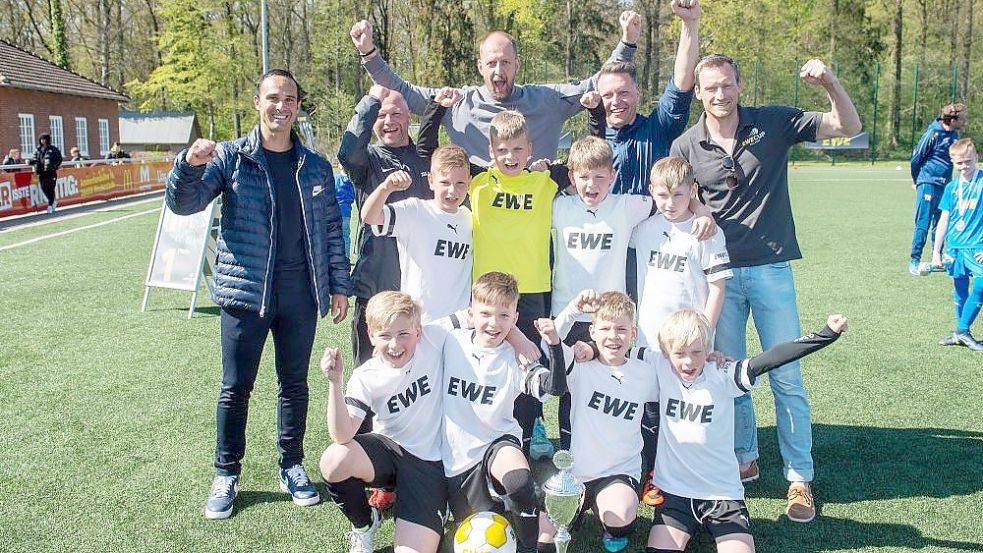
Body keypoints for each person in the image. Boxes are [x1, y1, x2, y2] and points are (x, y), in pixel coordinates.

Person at [669, 54, 861, 522]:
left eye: (727, 85)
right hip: (720, 276)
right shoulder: (685, 144)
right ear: (698, 91)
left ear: (738, 84)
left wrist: (830, 82)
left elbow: (847, 126)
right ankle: (744, 458)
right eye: (710, 87)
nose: (720, 95)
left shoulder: (773, 122)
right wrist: (699, 214)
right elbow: (679, 200)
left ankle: (799, 478)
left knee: (787, 376)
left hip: (772, 268)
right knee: (731, 375)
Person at [164, 69, 352, 520]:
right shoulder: (231, 158)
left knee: (294, 386)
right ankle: (226, 473)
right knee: (236, 389)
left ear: (297, 106)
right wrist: (188, 165)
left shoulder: (316, 166)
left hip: (301, 295)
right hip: (245, 297)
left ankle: (291, 465)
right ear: (257, 102)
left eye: (290, 98)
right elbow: (183, 204)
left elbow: (331, 230)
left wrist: (339, 284)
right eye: (273, 97)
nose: (281, 106)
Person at [640, 310, 847, 553]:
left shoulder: (723, 374)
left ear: (708, 349)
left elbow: (772, 358)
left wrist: (826, 335)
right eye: (679, 354)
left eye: (697, 352)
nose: (688, 362)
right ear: (665, 352)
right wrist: (587, 349)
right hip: (676, 494)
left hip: (723, 496)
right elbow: (614, 347)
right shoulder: (658, 365)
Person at [349, 11, 642, 164]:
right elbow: (402, 90)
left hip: (535, 221)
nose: (499, 71)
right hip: (480, 221)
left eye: (505, 62)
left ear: (517, 65)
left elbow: (601, 83)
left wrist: (627, 43)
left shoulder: (548, 100)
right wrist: (369, 54)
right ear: (480, 67)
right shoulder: (459, 103)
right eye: (491, 64)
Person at [319, 291, 457, 553]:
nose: (395, 344)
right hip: (389, 454)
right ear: (370, 335)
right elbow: (342, 435)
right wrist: (335, 384)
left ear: (418, 330)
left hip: (428, 463)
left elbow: (481, 316)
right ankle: (364, 524)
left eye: (403, 334)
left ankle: (436, 501)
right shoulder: (365, 376)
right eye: (384, 335)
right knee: (333, 460)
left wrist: (519, 341)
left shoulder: (433, 336)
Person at [629, 156, 732, 506]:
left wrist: (704, 334)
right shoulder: (643, 230)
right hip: (650, 339)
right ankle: (650, 474)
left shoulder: (706, 233)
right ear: (652, 193)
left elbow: (717, 287)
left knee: (685, 409)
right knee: (651, 409)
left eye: (678, 195)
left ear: (693, 191)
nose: (670, 203)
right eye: (662, 195)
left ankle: (686, 473)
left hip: (690, 345)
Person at [440, 272, 565, 553]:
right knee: (472, 519)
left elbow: (553, 389)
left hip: (498, 442)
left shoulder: (514, 356)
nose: (494, 323)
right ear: (471, 311)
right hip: (456, 454)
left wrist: (554, 347)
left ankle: (529, 545)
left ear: (515, 319)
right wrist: (512, 333)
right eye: (485, 313)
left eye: (504, 316)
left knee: (520, 482)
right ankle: (530, 513)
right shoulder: (450, 342)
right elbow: (418, 330)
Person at [535, 291, 660, 553]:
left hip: (619, 471)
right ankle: (579, 506)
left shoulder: (646, 374)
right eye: (605, 328)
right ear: (592, 331)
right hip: (576, 473)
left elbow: (677, 363)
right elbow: (550, 340)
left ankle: (607, 516)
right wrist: (574, 307)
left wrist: (713, 360)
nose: (613, 336)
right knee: (544, 534)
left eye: (621, 329)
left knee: (619, 520)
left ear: (633, 334)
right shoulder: (580, 367)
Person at [339, 85, 442, 367]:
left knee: (421, 369)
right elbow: (347, 153)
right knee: (370, 370)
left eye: (396, 113)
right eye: (381, 115)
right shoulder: (367, 160)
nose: (388, 122)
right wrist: (370, 101)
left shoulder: (425, 158)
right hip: (375, 283)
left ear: (409, 115)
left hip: (421, 286)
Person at [585, 0, 701, 196]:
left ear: (637, 93)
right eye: (607, 95)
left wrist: (690, 24)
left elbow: (681, 86)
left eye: (623, 93)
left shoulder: (658, 128)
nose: (616, 101)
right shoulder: (595, 143)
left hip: (656, 226)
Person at [361, 143, 473, 323]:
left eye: (460, 183)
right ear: (430, 181)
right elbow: (370, 217)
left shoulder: (470, 218)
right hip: (420, 321)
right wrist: (385, 188)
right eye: (444, 182)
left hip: (460, 322)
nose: (452, 190)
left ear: (470, 182)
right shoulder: (415, 211)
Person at [931, 138, 983, 351]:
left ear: (977, 157)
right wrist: (936, 251)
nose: (964, 167)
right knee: (960, 288)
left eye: (968, 162)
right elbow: (944, 219)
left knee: (981, 286)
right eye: (959, 163)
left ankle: (962, 330)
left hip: (978, 247)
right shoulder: (952, 188)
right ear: (953, 162)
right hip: (955, 247)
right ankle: (961, 334)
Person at [909, 103, 968, 275]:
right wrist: (917, 180)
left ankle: (938, 258)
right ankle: (915, 260)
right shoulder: (933, 133)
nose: (965, 121)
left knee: (941, 223)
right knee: (923, 222)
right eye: (962, 117)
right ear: (953, 119)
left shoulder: (954, 135)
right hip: (928, 182)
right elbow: (916, 158)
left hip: (945, 185)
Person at [31, 133, 62, 213]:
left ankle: (50, 205)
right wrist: (30, 162)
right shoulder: (38, 150)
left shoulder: (53, 149)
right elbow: (35, 159)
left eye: (44, 139)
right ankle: (52, 201)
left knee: (51, 188)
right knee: (44, 188)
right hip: (41, 172)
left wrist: (54, 166)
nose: (43, 141)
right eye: (41, 139)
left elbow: (59, 158)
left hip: (51, 172)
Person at [334, 166, 356, 257]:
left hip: (335, 210)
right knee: (345, 236)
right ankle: (346, 256)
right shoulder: (352, 181)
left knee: (334, 235)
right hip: (346, 211)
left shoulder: (335, 178)